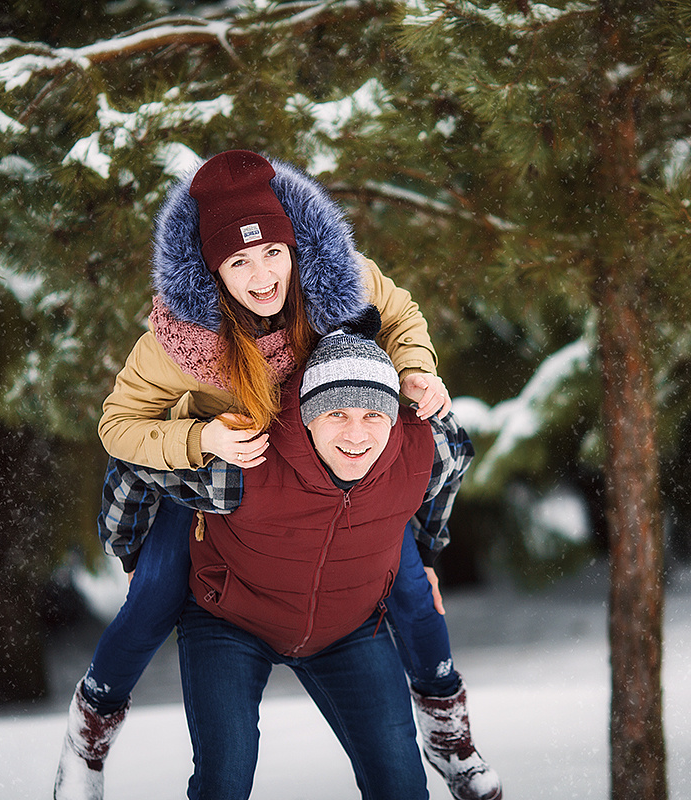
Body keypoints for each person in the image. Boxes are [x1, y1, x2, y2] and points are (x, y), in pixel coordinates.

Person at [53, 151, 499, 800]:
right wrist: (201, 438)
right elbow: (119, 426)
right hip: (224, 477)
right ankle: (88, 738)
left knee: (408, 583)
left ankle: (448, 736)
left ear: (295, 246)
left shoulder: (340, 280)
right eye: (239, 262)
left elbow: (401, 315)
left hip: (331, 469)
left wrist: (416, 368)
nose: (262, 276)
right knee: (155, 595)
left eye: (272, 254)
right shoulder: (182, 340)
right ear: (212, 269)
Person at [137, 313, 480, 799]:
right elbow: (137, 466)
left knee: (401, 786)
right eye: (336, 414)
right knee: (224, 780)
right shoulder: (246, 458)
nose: (356, 435)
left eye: (373, 415)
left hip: (349, 627)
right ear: (307, 415)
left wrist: (425, 550)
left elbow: (456, 462)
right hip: (231, 621)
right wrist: (130, 553)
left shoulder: (425, 449)